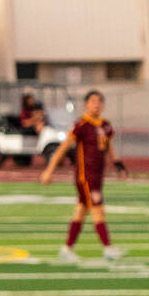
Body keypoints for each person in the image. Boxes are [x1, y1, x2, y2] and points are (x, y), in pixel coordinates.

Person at [41, 89, 128, 263]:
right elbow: (63, 148)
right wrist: (49, 170)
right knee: (98, 211)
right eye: (93, 101)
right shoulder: (81, 125)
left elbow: (110, 150)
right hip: (85, 176)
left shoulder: (106, 126)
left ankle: (67, 249)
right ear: (86, 104)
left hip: (98, 175)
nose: (96, 105)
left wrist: (119, 166)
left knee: (80, 212)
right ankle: (108, 248)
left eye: (99, 102)